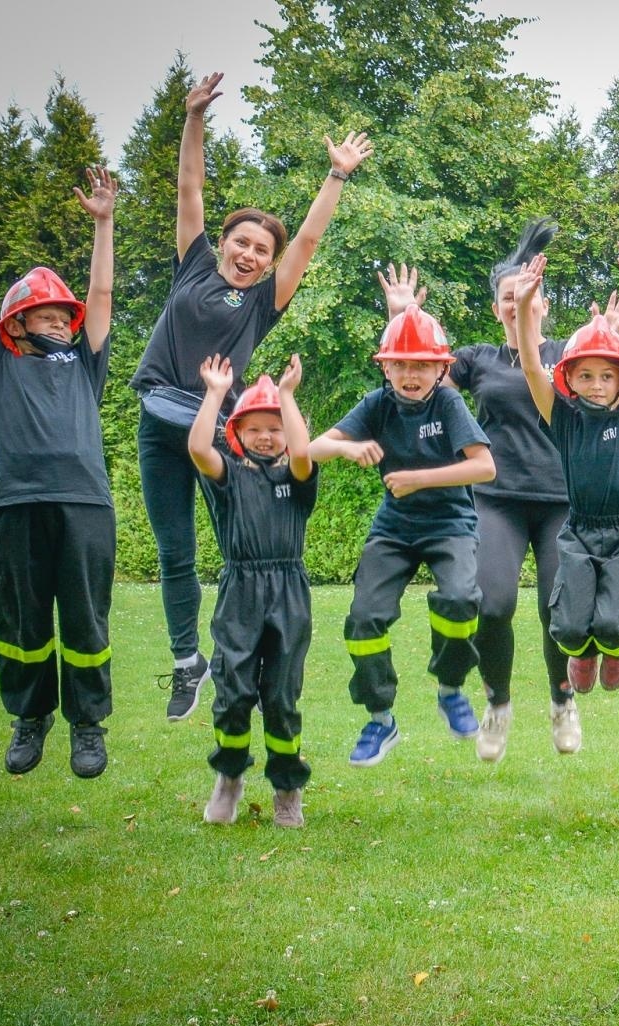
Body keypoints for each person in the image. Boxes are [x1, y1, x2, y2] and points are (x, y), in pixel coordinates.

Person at [129, 71, 370, 722]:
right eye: (241, 242)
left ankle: (258, 647)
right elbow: (190, 187)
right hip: (161, 413)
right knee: (173, 549)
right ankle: (187, 663)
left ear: (268, 264)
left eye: (262, 250)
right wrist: (194, 118)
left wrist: (337, 176)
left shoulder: (263, 301)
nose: (249, 253)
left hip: (213, 421)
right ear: (223, 243)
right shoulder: (192, 266)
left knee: (244, 547)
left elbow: (311, 241)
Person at [374, 233, 619, 763]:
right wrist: (400, 317)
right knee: (491, 604)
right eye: (509, 298)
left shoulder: (566, 356)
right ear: (497, 310)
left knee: (553, 609)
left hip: (564, 499)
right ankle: (499, 701)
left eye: (528, 295)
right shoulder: (478, 360)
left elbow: (614, 380)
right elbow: (415, 376)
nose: (518, 304)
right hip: (496, 498)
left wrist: (607, 335)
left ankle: (563, 701)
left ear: (543, 303)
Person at [0, 162, 117, 779]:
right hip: (15, 508)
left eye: (65, 315)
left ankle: (87, 727)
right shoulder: (0, 366)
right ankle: (30, 718)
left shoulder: (86, 365)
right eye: (45, 316)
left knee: (86, 619)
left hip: (86, 506)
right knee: (22, 622)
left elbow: (103, 294)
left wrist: (105, 224)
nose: (60, 321)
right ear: (17, 325)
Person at [310, 305, 495, 767]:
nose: (410, 374)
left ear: (440, 368)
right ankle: (380, 719)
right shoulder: (377, 404)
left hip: (450, 523)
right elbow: (312, 448)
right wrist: (349, 446)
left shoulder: (449, 403)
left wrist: (417, 478)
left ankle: (451, 688)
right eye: (401, 364)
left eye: (421, 365)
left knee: (459, 599)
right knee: (362, 620)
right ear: (386, 367)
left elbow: (484, 467)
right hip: (394, 530)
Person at [510, 238, 619, 698]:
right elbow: (533, 370)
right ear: (569, 379)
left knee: (614, 623)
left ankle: (618, 649)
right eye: (586, 375)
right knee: (570, 627)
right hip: (579, 531)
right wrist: (525, 303)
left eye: (607, 375)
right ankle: (584, 650)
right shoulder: (565, 421)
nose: (597, 385)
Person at [188, 355, 317, 827]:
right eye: (256, 427)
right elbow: (199, 448)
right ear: (238, 434)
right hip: (239, 590)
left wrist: (287, 398)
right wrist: (215, 394)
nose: (266, 435)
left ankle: (287, 788)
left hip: (288, 592)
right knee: (233, 691)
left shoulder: (295, 478)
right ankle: (229, 779)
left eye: (276, 427)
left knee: (282, 697)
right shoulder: (229, 477)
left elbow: (304, 456)